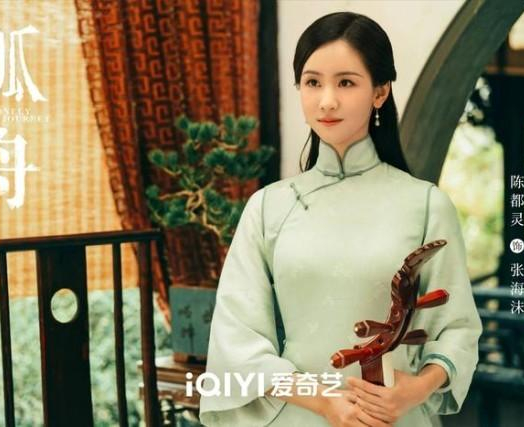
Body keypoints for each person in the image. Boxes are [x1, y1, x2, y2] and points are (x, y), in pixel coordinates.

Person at [199, 11, 482, 427]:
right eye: (313, 82)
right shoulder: (268, 208)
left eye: (346, 83)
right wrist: (324, 402)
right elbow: (237, 337)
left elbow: (457, 327)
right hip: (298, 416)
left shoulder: (426, 205)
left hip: (394, 417)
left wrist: (416, 389)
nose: (327, 100)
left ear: (380, 92)